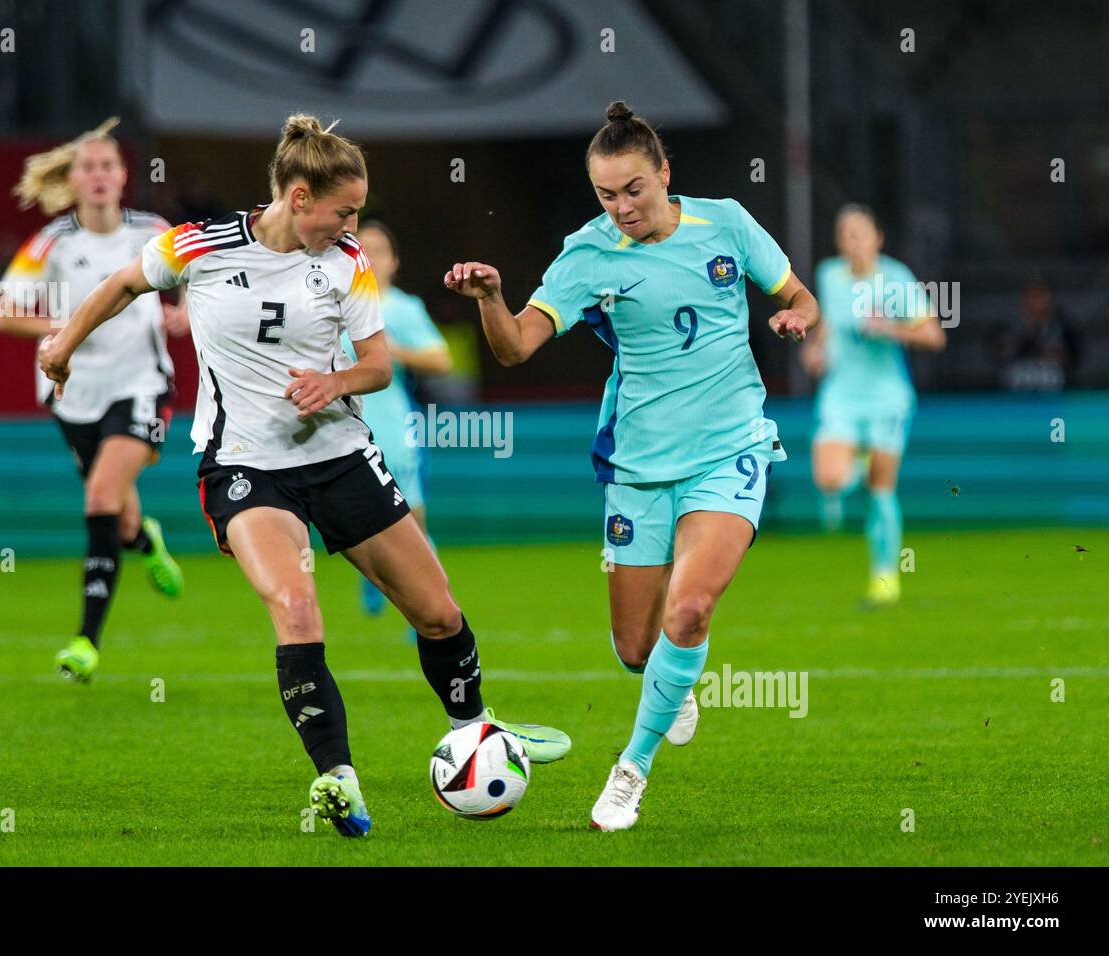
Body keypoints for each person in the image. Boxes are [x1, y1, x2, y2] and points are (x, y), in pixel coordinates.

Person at [37, 114, 570, 838]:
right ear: (297, 196)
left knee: (438, 612)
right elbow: (123, 285)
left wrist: (335, 379)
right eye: (345, 210)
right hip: (246, 470)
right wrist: (63, 345)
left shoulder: (345, 261)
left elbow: (379, 366)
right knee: (296, 606)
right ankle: (337, 779)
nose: (355, 225)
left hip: (339, 456)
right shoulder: (198, 244)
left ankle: (476, 728)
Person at [445, 100, 818, 831]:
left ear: (664, 174)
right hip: (639, 464)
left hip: (730, 449)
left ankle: (629, 771)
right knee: (634, 648)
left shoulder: (728, 224)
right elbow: (516, 346)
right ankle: (671, 682)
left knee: (691, 607)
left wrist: (798, 314)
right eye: (607, 195)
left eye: (634, 191)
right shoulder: (587, 254)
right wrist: (491, 299)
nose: (622, 207)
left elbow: (797, 291)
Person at [0, 117, 187, 682]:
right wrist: (66, 324)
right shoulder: (52, 242)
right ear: (73, 180)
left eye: (108, 165)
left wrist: (184, 313)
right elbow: (4, 314)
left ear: (124, 176)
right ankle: (142, 537)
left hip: (140, 383)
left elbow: (205, 282)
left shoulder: (153, 230)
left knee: (101, 495)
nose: (99, 176)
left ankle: (85, 641)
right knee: (118, 513)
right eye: (88, 168)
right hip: (72, 390)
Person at [802, 204, 946, 606]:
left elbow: (934, 336)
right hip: (841, 396)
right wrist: (815, 350)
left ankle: (885, 578)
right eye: (846, 234)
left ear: (878, 238)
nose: (854, 241)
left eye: (860, 233)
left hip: (887, 398)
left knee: (882, 491)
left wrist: (891, 328)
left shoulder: (896, 279)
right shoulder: (830, 276)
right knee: (829, 478)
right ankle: (857, 464)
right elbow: (828, 325)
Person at [339, 220, 453, 615]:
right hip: (342, 432)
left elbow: (442, 359)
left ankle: (430, 607)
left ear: (394, 261)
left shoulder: (402, 309)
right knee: (353, 520)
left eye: (378, 250)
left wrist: (388, 352)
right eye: (362, 248)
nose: (369, 258)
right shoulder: (333, 304)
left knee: (412, 524)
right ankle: (374, 577)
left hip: (393, 428)